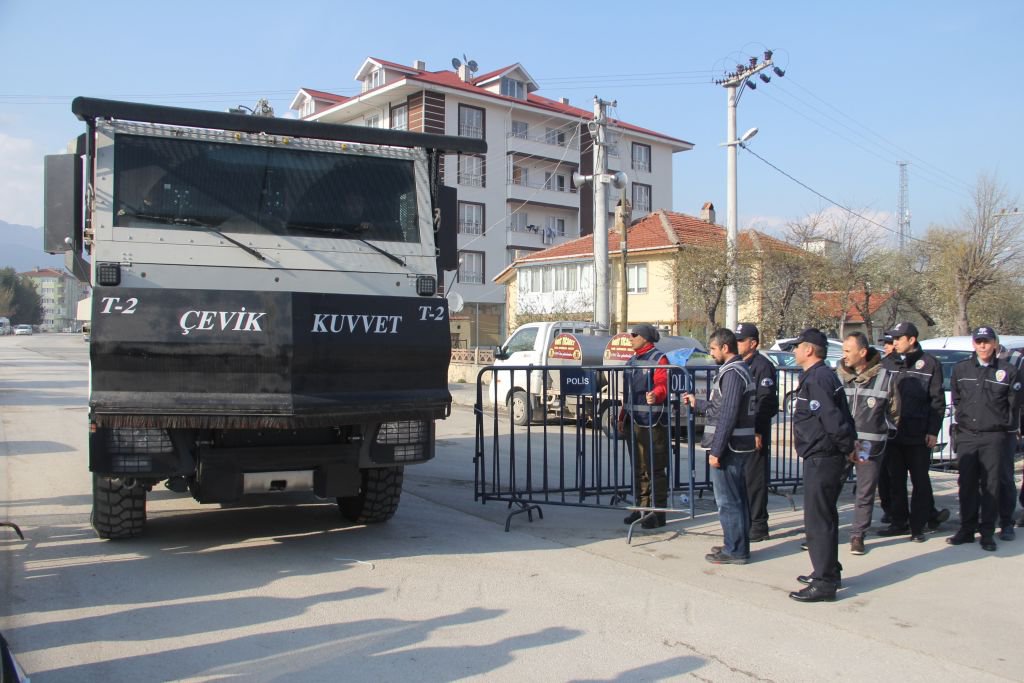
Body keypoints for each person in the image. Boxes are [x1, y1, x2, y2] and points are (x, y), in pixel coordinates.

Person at [789, 328, 857, 603]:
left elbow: (832, 419)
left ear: (809, 350)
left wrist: (847, 447)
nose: (793, 351)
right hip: (823, 454)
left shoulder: (818, 378)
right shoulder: (820, 376)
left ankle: (824, 581)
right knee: (824, 516)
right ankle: (828, 569)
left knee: (818, 519)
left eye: (797, 346)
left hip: (824, 456)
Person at [682, 328, 758, 565]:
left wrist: (717, 450)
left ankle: (735, 550)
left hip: (731, 447)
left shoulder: (733, 373)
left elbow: (728, 414)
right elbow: (720, 406)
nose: (711, 353)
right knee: (736, 498)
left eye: (713, 348)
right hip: (735, 445)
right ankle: (734, 543)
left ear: (725, 348)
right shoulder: (734, 370)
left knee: (728, 501)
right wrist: (699, 404)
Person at [946, 327, 1024, 551]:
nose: (982, 345)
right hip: (967, 435)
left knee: (991, 485)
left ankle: (987, 532)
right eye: (978, 341)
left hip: (993, 436)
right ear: (973, 344)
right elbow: (957, 398)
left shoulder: (1008, 371)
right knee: (967, 484)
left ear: (995, 344)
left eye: (986, 341)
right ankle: (967, 529)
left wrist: (1001, 424)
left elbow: (1014, 403)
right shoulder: (961, 369)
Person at [878, 322, 949, 542]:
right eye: (894, 339)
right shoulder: (886, 364)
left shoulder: (929, 364)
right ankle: (899, 521)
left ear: (911, 340)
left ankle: (918, 527)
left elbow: (937, 402)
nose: (895, 343)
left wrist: (932, 431)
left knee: (920, 481)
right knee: (895, 480)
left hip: (918, 433)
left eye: (899, 339)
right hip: (893, 434)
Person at [838, 332, 897, 555]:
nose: (844, 356)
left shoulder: (884, 377)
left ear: (862, 352)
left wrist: (882, 429)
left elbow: (895, 412)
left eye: (847, 351)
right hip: (843, 442)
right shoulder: (838, 375)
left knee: (864, 492)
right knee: (831, 488)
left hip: (866, 445)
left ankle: (858, 535)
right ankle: (824, 532)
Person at [618, 324, 670, 530]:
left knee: (654, 468)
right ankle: (641, 509)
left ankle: (657, 514)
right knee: (639, 468)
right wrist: (622, 416)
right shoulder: (632, 361)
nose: (630, 338)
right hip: (633, 420)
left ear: (646, 338)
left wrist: (656, 394)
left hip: (652, 422)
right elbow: (627, 395)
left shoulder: (659, 359)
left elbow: (663, 383)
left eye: (634, 335)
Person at [735, 322, 778, 542]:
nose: (737, 344)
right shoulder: (739, 364)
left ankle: (759, 525)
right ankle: (747, 520)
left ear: (753, 343)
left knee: (755, 479)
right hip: (739, 434)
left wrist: (757, 431)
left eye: (741, 340)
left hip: (754, 433)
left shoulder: (762, 366)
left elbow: (767, 402)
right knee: (742, 480)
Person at [876, 332, 895, 524]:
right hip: (867, 441)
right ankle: (888, 509)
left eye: (890, 343)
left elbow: (895, 406)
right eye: (886, 343)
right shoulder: (881, 365)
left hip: (890, 432)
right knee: (877, 476)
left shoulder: (896, 367)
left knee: (894, 474)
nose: (888, 347)